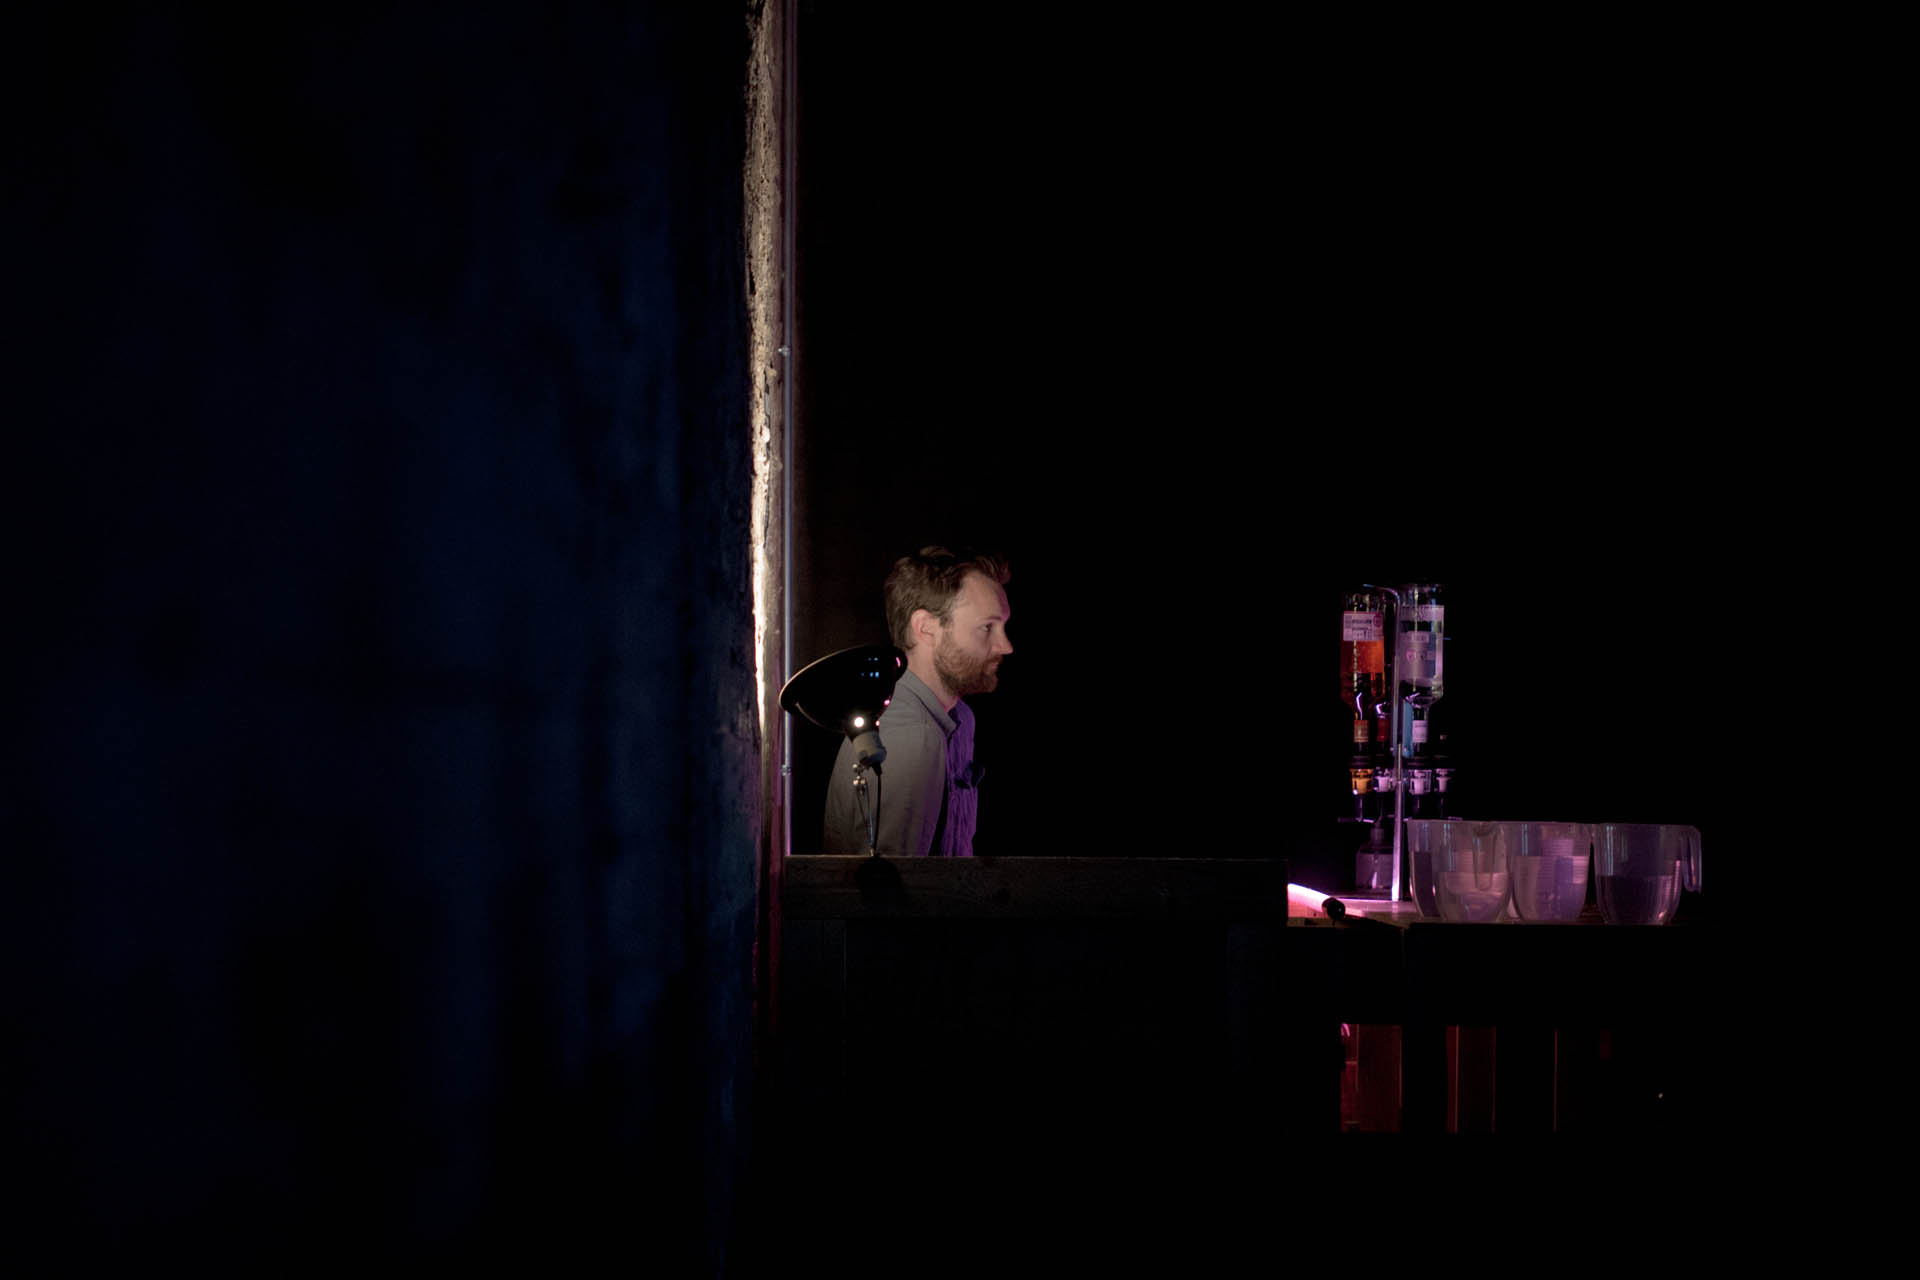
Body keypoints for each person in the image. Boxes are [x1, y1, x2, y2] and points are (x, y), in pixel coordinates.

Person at [823, 546, 1012, 856]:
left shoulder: (960, 720)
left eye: (1003, 627)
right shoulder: (910, 734)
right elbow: (892, 896)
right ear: (925, 628)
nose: (1005, 645)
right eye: (987, 627)